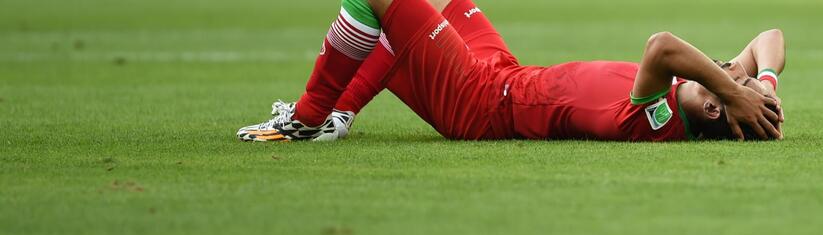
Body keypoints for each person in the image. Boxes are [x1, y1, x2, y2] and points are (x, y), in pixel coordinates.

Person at [237, 0, 785, 143]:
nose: (717, 68)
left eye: (721, 81)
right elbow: (771, 37)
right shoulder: (707, 94)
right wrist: (759, 84)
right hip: (503, 72)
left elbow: (662, 45)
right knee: (431, 7)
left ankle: (309, 118)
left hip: (478, 102)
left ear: (715, 107)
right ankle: (340, 114)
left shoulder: (656, 119)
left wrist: (730, 88)